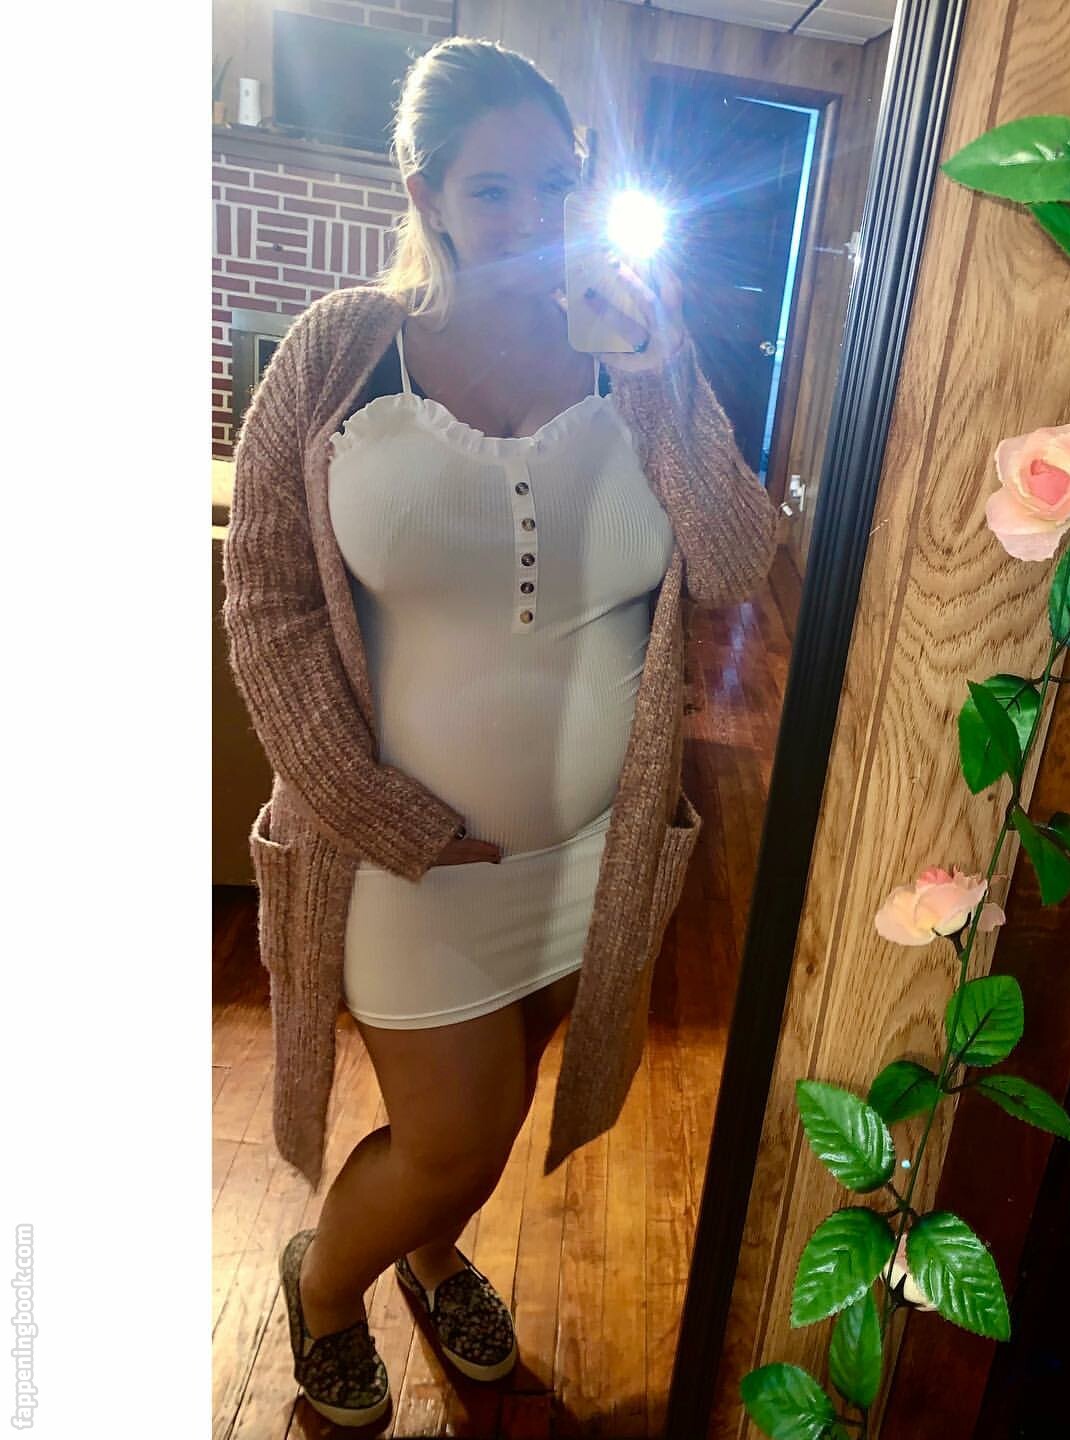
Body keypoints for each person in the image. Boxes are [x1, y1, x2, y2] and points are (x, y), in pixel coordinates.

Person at [223, 38, 779, 1427]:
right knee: (453, 1129)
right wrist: (376, 812)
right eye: (496, 191)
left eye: (558, 185)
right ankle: (324, 1284)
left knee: (502, 1099)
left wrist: (660, 371)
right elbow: (269, 603)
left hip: (593, 854)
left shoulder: (631, 349)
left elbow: (731, 561)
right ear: (428, 194)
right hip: (403, 859)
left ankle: (430, 1252)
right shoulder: (343, 350)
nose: (536, 219)